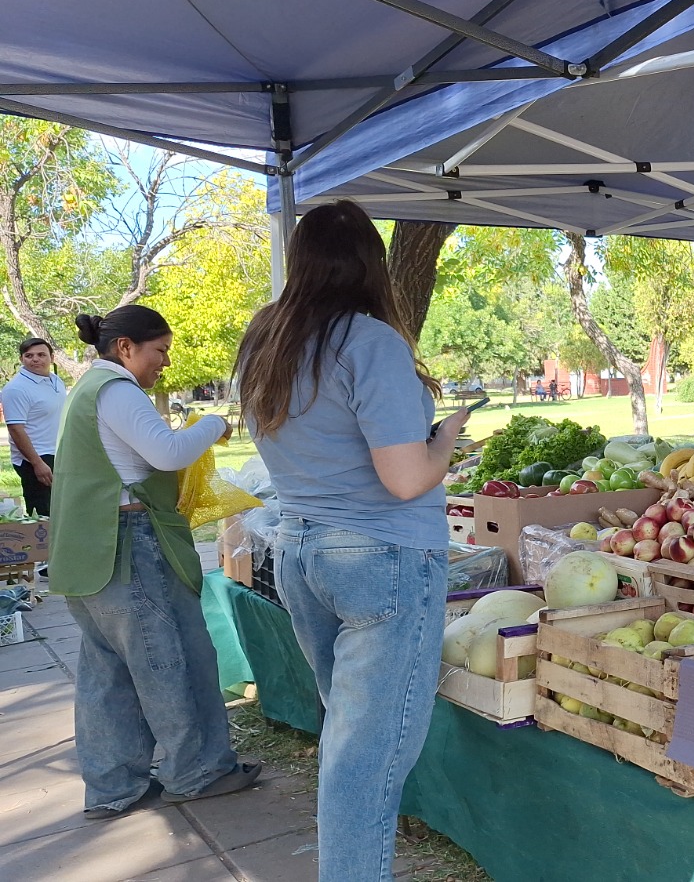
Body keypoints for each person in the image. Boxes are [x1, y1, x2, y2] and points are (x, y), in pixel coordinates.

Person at [235, 200, 470, 881]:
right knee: (364, 762)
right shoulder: (369, 341)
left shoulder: (266, 338)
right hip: (380, 557)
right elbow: (405, 479)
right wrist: (447, 439)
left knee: (349, 741)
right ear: (374, 265)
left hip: (303, 549)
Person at [51, 306, 258, 821]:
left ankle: (113, 786)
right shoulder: (117, 391)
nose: (164, 362)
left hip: (88, 550)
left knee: (107, 674)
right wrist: (212, 424)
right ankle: (197, 772)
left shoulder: (84, 390)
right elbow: (167, 453)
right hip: (128, 544)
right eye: (159, 350)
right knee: (170, 659)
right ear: (125, 348)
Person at [2, 337, 67, 515]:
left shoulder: (56, 381)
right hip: (35, 459)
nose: (35, 359)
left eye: (41, 355)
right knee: (43, 517)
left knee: (62, 512)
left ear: (52, 358)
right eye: (29, 355)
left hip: (58, 454)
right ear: (22, 359)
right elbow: (16, 429)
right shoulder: (16, 389)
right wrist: (37, 463)